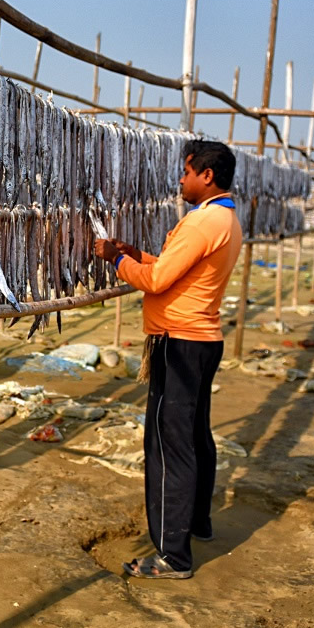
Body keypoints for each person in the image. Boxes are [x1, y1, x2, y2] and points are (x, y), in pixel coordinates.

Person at [93, 139, 242, 580]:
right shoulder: (224, 219)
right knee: (196, 436)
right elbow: (173, 268)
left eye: (186, 171)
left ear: (206, 175)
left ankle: (173, 556)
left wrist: (117, 259)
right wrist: (134, 252)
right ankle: (199, 523)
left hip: (179, 344)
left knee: (167, 445)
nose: (181, 179)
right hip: (200, 341)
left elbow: (157, 281)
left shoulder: (202, 222)